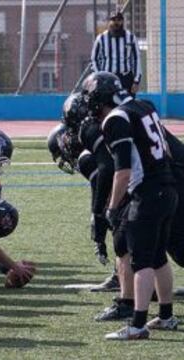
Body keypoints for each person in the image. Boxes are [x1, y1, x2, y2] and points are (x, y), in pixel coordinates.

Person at [83, 71, 178, 341]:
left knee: (142, 261)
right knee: (158, 256)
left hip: (147, 193)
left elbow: (122, 171)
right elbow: (166, 150)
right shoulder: (145, 105)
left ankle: (137, 324)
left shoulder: (116, 119)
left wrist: (112, 208)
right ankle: (167, 316)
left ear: (99, 98)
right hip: (167, 188)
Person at [90, 11, 142, 94]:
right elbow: (94, 59)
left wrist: (136, 81)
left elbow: (136, 59)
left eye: (119, 20)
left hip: (125, 78)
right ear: (109, 22)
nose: (116, 22)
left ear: (122, 21)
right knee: (107, 105)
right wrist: (99, 76)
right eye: (113, 20)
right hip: (107, 79)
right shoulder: (101, 38)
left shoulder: (131, 38)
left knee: (126, 105)